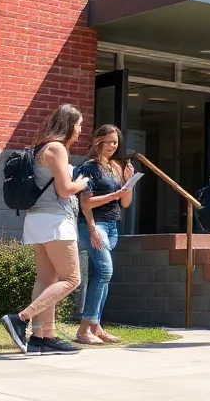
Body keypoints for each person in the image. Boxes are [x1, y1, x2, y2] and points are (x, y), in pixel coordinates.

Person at [2, 104, 89, 355]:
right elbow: (64, 190)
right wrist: (80, 183)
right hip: (55, 221)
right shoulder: (58, 148)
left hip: (37, 219)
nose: (80, 130)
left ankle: (43, 336)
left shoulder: (42, 147)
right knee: (72, 278)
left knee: (46, 279)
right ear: (69, 125)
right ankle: (21, 318)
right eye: (79, 125)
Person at [75, 125, 134, 345]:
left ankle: (96, 326)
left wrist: (128, 184)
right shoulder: (89, 167)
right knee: (105, 271)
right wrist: (91, 228)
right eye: (108, 141)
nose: (112, 146)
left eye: (115, 142)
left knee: (101, 275)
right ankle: (83, 330)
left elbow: (125, 203)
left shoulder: (115, 167)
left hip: (112, 225)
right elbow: (86, 203)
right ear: (98, 141)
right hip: (94, 224)